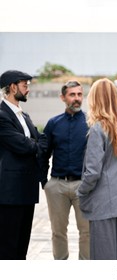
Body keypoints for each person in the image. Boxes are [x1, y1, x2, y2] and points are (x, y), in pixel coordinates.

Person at [77, 78, 117, 260]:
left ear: (95, 99)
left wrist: (81, 191)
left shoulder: (97, 129)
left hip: (102, 202)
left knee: (103, 257)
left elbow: (93, 171)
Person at [0, 70, 47, 259]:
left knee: (22, 248)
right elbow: (24, 146)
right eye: (25, 85)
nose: (28, 89)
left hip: (27, 191)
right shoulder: (2, 116)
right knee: (7, 248)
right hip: (9, 194)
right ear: (12, 87)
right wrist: (36, 145)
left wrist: (36, 145)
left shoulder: (24, 116)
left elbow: (41, 140)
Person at [41, 80, 90, 260]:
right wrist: (45, 182)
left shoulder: (90, 122)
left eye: (79, 94)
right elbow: (43, 153)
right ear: (63, 97)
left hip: (83, 186)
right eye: (72, 95)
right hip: (57, 186)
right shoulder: (53, 124)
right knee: (58, 232)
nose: (76, 99)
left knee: (87, 232)